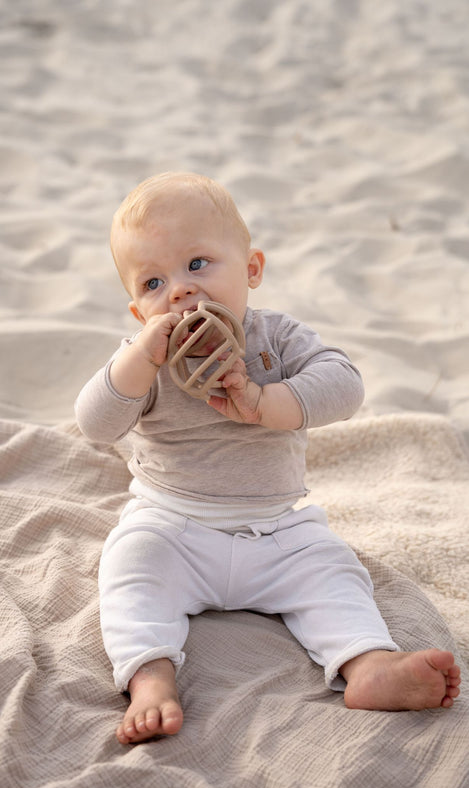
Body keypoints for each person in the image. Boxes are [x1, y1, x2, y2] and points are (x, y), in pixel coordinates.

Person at [75, 172, 461, 745]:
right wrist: (138, 360)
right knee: (130, 567)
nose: (179, 290)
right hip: (175, 527)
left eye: (198, 264)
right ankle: (151, 679)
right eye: (154, 281)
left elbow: (344, 386)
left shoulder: (274, 338)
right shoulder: (142, 360)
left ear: (251, 269)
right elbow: (95, 423)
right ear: (137, 311)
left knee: (332, 572)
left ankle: (369, 664)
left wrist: (263, 402)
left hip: (278, 531)